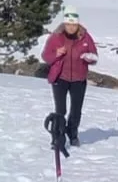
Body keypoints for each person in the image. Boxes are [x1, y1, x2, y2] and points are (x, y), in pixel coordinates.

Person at [42, 10, 98, 148]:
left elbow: (94, 56)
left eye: (74, 25)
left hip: (79, 79)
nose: (71, 28)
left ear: (78, 25)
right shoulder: (56, 36)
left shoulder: (85, 37)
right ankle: (57, 137)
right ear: (64, 24)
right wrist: (56, 53)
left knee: (76, 110)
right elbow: (46, 56)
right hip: (60, 77)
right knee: (60, 110)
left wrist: (89, 58)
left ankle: (73, 135)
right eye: (68, 24)